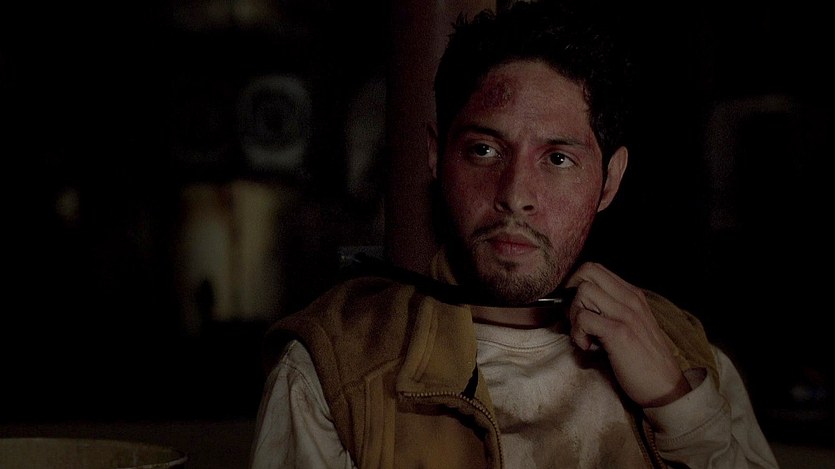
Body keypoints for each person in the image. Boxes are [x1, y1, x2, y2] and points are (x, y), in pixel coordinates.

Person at [249, 1, 780, 467]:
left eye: (558, 158)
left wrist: (677, 404)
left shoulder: (685, 356)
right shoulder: (333, 371)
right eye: (484, 150)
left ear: (609, 181)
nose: (515, 193)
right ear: (437, 156)